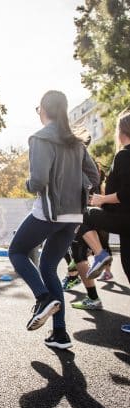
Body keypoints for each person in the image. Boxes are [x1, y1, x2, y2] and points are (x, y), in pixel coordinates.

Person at [8, 90, 99, 349]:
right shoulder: (77, 143)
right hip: (73, 216)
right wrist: (80, 197)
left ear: (44, 110)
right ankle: (60, 334)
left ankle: (43, 297)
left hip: (49, 212)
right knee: (48, 267)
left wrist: (27, 183)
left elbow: (38, 181)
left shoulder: (39, 138)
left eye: (38, 108)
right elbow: (94, 177)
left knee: (16, 251)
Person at [77, 111, 130, 333]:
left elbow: (126, 194)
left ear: (121, 132)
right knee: (129, 267)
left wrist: (101, 199)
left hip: (124, 218)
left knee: (80, 214)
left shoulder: (125, 156)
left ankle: (100, 254)